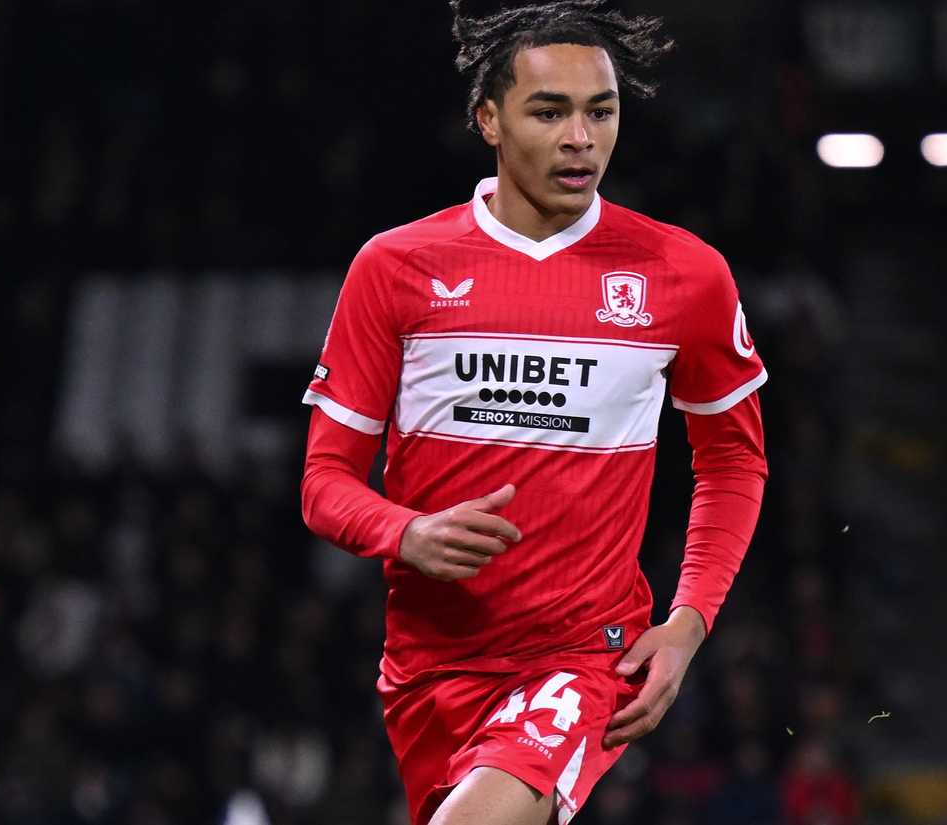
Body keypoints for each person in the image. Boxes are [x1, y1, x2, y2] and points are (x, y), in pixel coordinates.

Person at [299, 2, 768, 822]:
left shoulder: (682, 274)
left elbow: (732, 457)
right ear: (488, 118)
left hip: (583, 655)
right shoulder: (397, 267)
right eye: (550, 111)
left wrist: (690, 621)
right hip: (428, 669)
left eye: (601, 111)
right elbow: (324, 482)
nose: (581, 137)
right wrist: (404, 531)